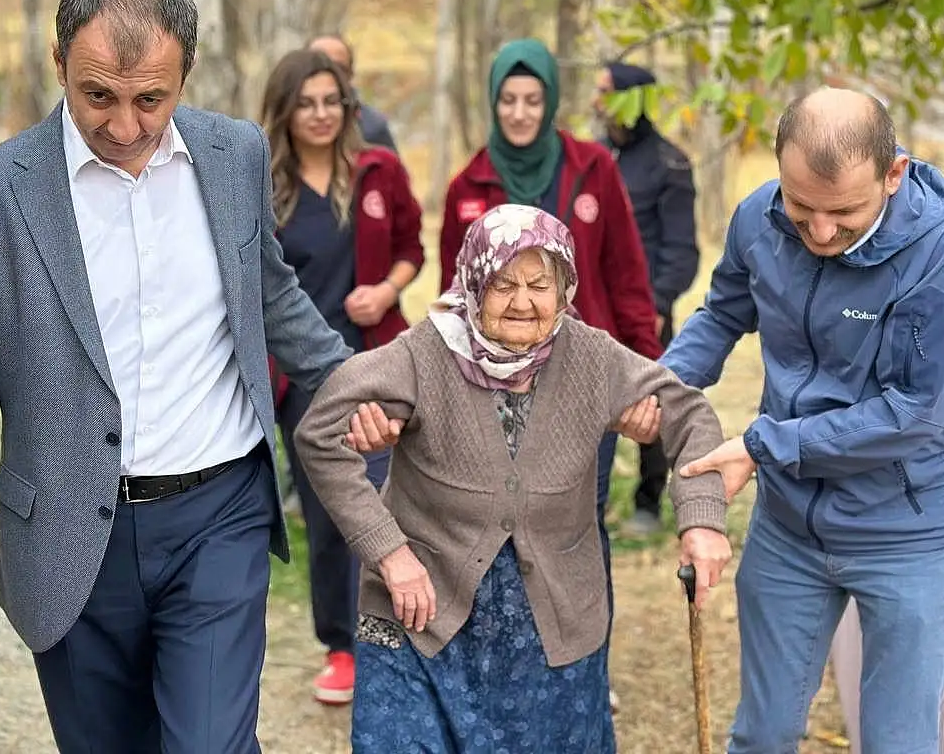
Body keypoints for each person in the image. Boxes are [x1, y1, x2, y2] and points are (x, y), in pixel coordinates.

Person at [0, 0, 350, 754]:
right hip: (72, 535)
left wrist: (362, 383)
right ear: (57, 61)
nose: (126, 125)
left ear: (186, 74)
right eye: (98, 94)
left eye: (152, 98)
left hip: (221, 510)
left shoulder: (234, 153)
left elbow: (269, 295)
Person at [292, 204, 732, 752]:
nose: (522, 302)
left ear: (565, 288)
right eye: (502, 284)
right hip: (422, 610)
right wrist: (387, 552)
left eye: (539, 285)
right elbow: (319, 433)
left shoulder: (590, 357)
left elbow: (689, 414)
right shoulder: (425, 353)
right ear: (474, 282)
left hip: (552, 622)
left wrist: (702, 520)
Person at [669, 88, 944, 754]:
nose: (818, 232)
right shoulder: (759, 217)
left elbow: (914, 414)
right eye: (801, 205)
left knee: (897, 743)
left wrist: (763, 445)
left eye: (843, 212)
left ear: (893, 174)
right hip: (790, 527)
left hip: (906, 533)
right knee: (763, 733)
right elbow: (725, 311)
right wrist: (663, 385)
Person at [438, 39, 661, 684]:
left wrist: (641, 369)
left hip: (583, 386)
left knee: (576, 530)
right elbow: (456, 295)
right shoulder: (468, 185)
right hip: (496, 387)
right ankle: (512, 667)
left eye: (532, 99)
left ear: (551, 102)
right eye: (508, 99)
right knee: (498, 529)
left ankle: (584, 667)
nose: (519, 112)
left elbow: (626, 276)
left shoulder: (592, 169)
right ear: (492, 102)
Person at [261, 48, 424, 705]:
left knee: (388, 502)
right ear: (285, 111)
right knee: (331, 513)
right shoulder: (264, 187)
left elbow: (414, 247)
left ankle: (391, 639)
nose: (322, 114)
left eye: (332, 100)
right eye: (307, 102)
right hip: (302, 380)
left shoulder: (378, 172)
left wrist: (385, 290)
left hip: (375, 361)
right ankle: (341, 647)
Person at [595, 61, 701, 538]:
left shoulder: (669, 164)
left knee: (650, 406)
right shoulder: (592, 159)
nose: (596, 100)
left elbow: (682, 250)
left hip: (645, 308)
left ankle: (648, 499)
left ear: (632, 98)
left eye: (606, 91)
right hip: (592, 307)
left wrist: (655, 304)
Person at [309, 33, 398, 152]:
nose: (328, 75)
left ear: (350, 74)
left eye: (338, 68)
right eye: (319, 66)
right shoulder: (282, 123)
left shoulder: (372, 127)